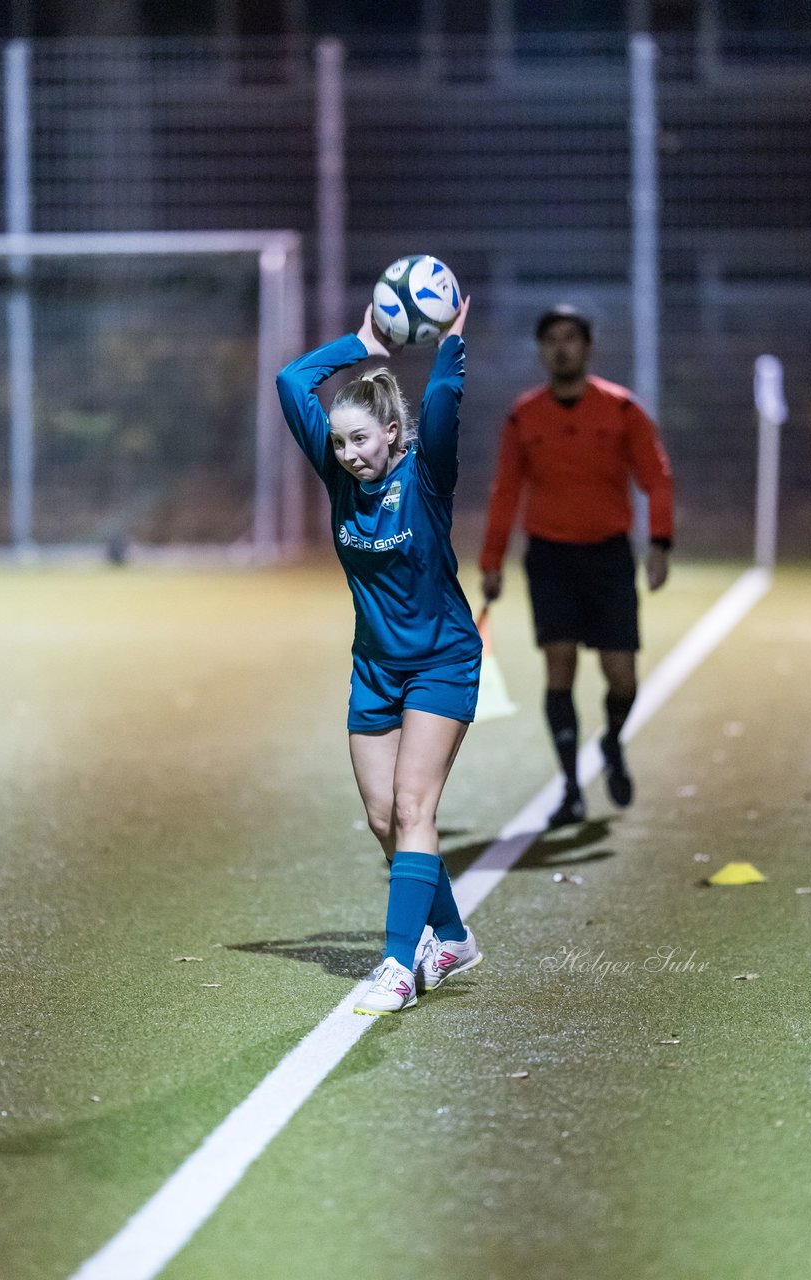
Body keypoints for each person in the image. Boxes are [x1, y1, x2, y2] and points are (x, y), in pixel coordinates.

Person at [276, 297, 483, 1016]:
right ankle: (450, 936)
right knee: (381, 819)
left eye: (362, 441)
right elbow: (290, 381)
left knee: (414, 804)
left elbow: (447, 400)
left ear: (392, 434)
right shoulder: (341, 480)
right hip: (374, 667)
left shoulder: (425, 478)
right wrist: (360, 342)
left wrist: (452, 342)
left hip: (441, 661)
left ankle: (398, 964)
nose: (349, 454)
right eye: (338, 444)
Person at [479, 304, 674, 827]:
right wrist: (491, 561)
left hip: (608, 556)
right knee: (559, 666)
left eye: (570, 338)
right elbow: (505, 491)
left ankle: (611, 741)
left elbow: (655, 478)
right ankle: (570, 787)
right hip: (551, 557)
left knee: (623, 679)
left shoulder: (623, 410)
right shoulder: (524, 416)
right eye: (550, 340)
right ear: (541, 351)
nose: (560, 348)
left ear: (587, 347)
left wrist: (660, 543)